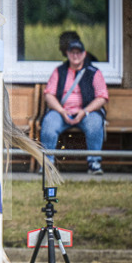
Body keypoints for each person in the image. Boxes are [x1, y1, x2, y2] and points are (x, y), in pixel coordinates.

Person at [39, 38, 109, 175]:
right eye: (72, 52)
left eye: (79, 52)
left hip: (87, 112)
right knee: (48, 123)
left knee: (95, 123)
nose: (75, 56)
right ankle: (47, 164)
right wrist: (61, 111)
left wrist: (84, 111)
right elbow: (49, 95)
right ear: (67, 54)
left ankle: (94, 163)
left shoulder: (94, 72)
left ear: (84, 54)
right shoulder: (59, 71)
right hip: (61, 111)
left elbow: (102, 97)